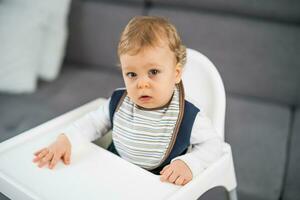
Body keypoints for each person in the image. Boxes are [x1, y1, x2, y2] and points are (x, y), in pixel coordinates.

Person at [33, 16, 224, 186]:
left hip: (157, 184)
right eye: (132, 74)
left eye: (153, 72)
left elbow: (214, 145)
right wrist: (67, 139)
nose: (142, 84)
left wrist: (190, 164)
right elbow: (92, 123)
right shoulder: (118, 102)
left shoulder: (188, 116)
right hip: (114, 177)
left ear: (176, 74)